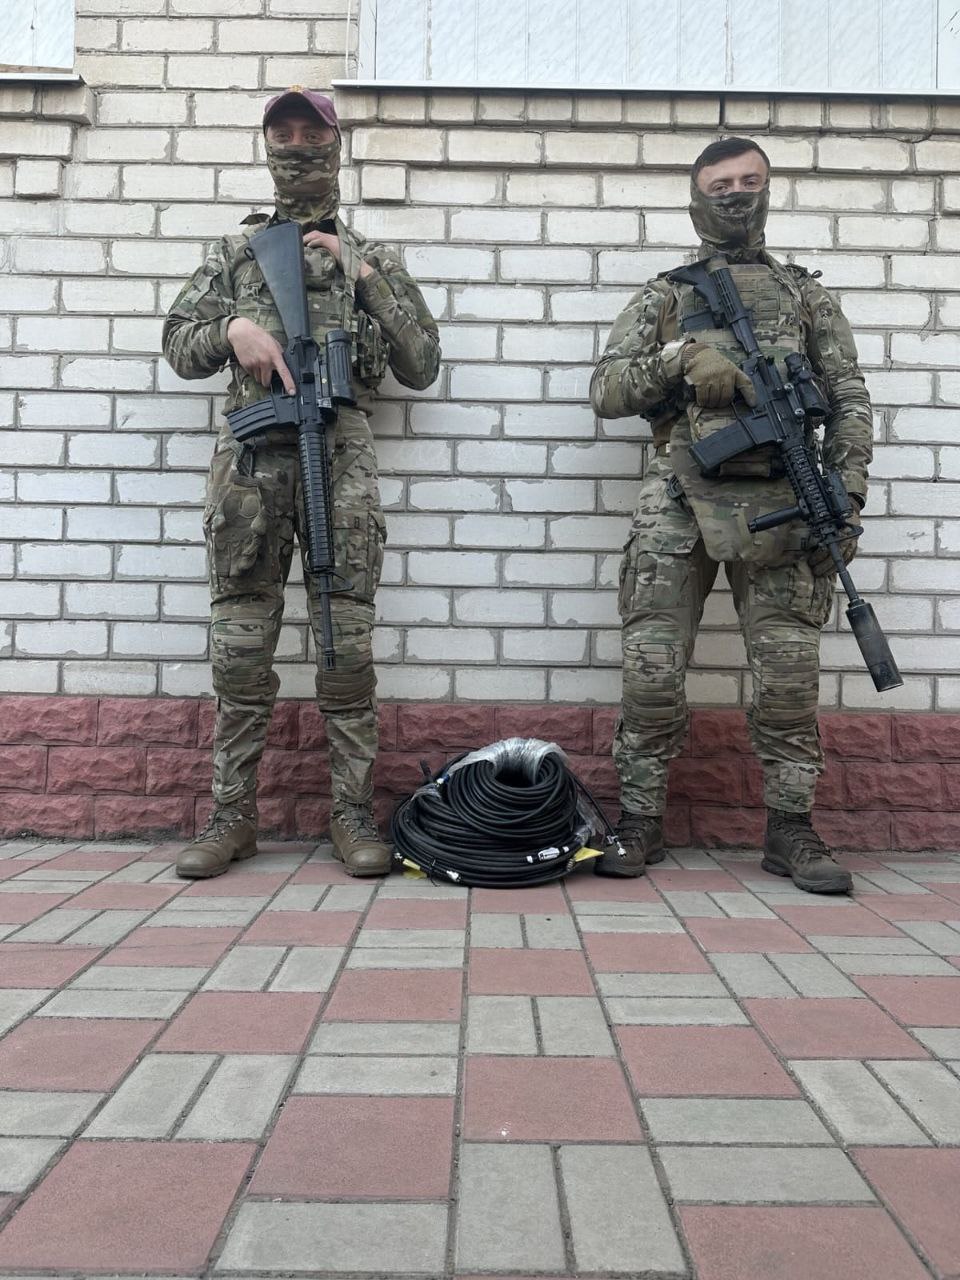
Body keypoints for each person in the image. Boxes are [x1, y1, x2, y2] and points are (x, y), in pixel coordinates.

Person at [163, 88, 440, 879]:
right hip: (253, 468)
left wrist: (364, 275)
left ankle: (352, 815)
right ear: (268, 148)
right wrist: (232, 329)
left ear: (336, 145)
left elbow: (422, 363)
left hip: (340, 459)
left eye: (310, 133)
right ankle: (232, 817)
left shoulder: (370, 254)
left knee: (345, 649)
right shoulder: (235, 253)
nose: (296, 146)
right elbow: (178, 343)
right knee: (240, 653)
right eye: (282, 133)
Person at [590, 136, 872, 894]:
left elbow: (848, 397)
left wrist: (846, 496)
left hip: (784, 501)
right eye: (721, 185)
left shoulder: (806, 296)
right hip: (677, 501)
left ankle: (791, 827)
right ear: (696, 197)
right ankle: (639, 818)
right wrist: (679, 358)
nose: (737, 196)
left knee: (788, 679)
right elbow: (607, 390)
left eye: (750, 182)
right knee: (652, 672)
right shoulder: (665, 295)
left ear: (769, 191)